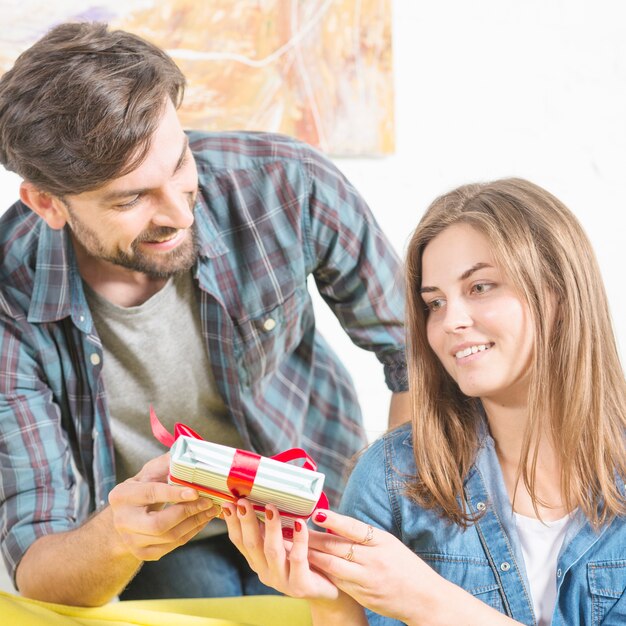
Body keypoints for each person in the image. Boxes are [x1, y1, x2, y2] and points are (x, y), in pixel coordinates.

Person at [0, 22, 409, 606]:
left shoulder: (286, 183)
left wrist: (387, 517)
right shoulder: (8, 295)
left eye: (179, 164)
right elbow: (38, 567)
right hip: (168, 546)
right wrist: (121, 535)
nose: (179, 213)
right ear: (47, 203)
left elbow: (416, 354)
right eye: (131, 198)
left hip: (325, 503)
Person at [224, 178, 626, 625]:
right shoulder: (389, 477)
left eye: (480, 287)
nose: (450, 321)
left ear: (560, 295)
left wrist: (427, 602)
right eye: (434, 303)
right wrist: (328, 599)